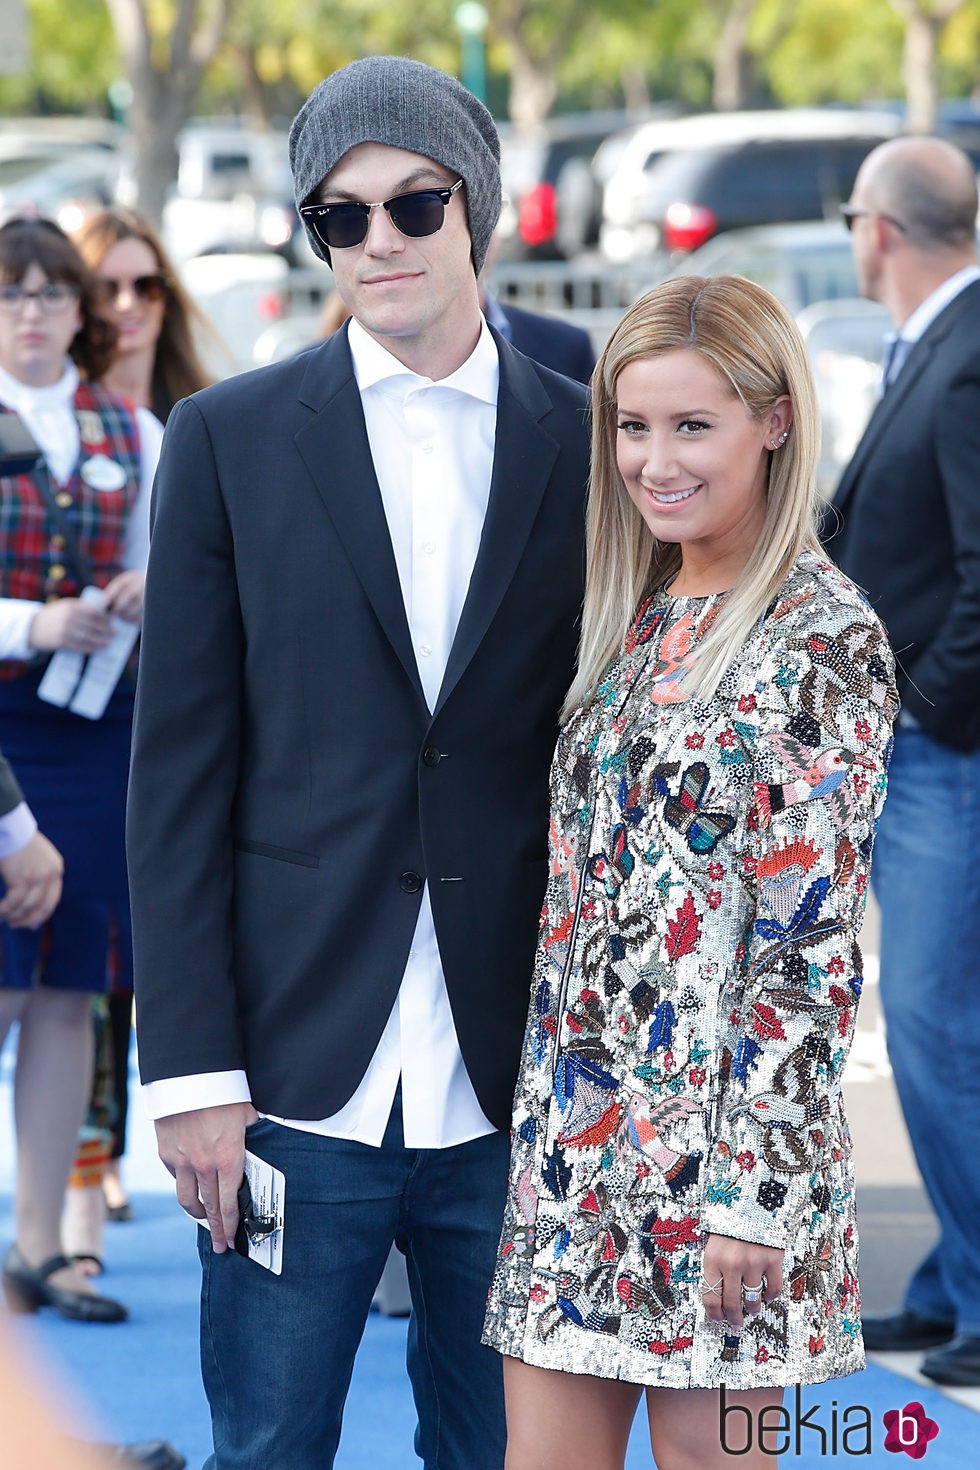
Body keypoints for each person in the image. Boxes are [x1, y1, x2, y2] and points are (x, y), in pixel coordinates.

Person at [127, 56, 589, 1469]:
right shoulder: (227, 438)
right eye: (338, 217)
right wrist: (190, 1069)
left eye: (413, 203)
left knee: (502, 1450)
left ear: (482, 211)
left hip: (524, 1069)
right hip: (291, 1076)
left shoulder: (592, 442)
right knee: (267, 1440)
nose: (377, 241)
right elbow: (180, 774)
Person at [481, 274, 898, 1470]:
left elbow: (805, 947)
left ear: (772, 422)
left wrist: (750, 1203)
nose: (653, 461)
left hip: (724, 1178)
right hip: (577, 1158)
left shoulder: (822, 635)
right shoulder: (636, 613)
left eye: (690, 426)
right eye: (631, 425)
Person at [828, 136, 980, 1389]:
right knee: (934, 1031)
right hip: (925, 753)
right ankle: (949, 1282)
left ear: (875, 228)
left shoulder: (968, 352)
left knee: (934, 1034)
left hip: (946, 757)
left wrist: (917, 713)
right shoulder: (934, 343)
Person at [0, 215, 162, 1325]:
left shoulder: (137, 428)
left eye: (51, 292)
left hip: (101, 737)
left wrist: (145, 594)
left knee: (72, 992)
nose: (32, 311)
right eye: (12, 293)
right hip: (4, 734)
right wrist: (34, 621)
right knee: (6, 981)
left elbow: (170, 561)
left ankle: (43, 1243)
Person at [65, 207, 215, 1240]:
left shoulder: (208, 417)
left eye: (144, 287)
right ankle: (85, 1162)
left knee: (148, 939)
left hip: (174, 707)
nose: (126, 308)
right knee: (80, 957)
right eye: (106, 289)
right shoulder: (44, 421)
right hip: (70, 711)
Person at [74, 207, 215, 422]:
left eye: (146, 286)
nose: (127, 303)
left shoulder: (208, 407)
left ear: (167, 297)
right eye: (106, 289)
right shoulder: (61, 416)